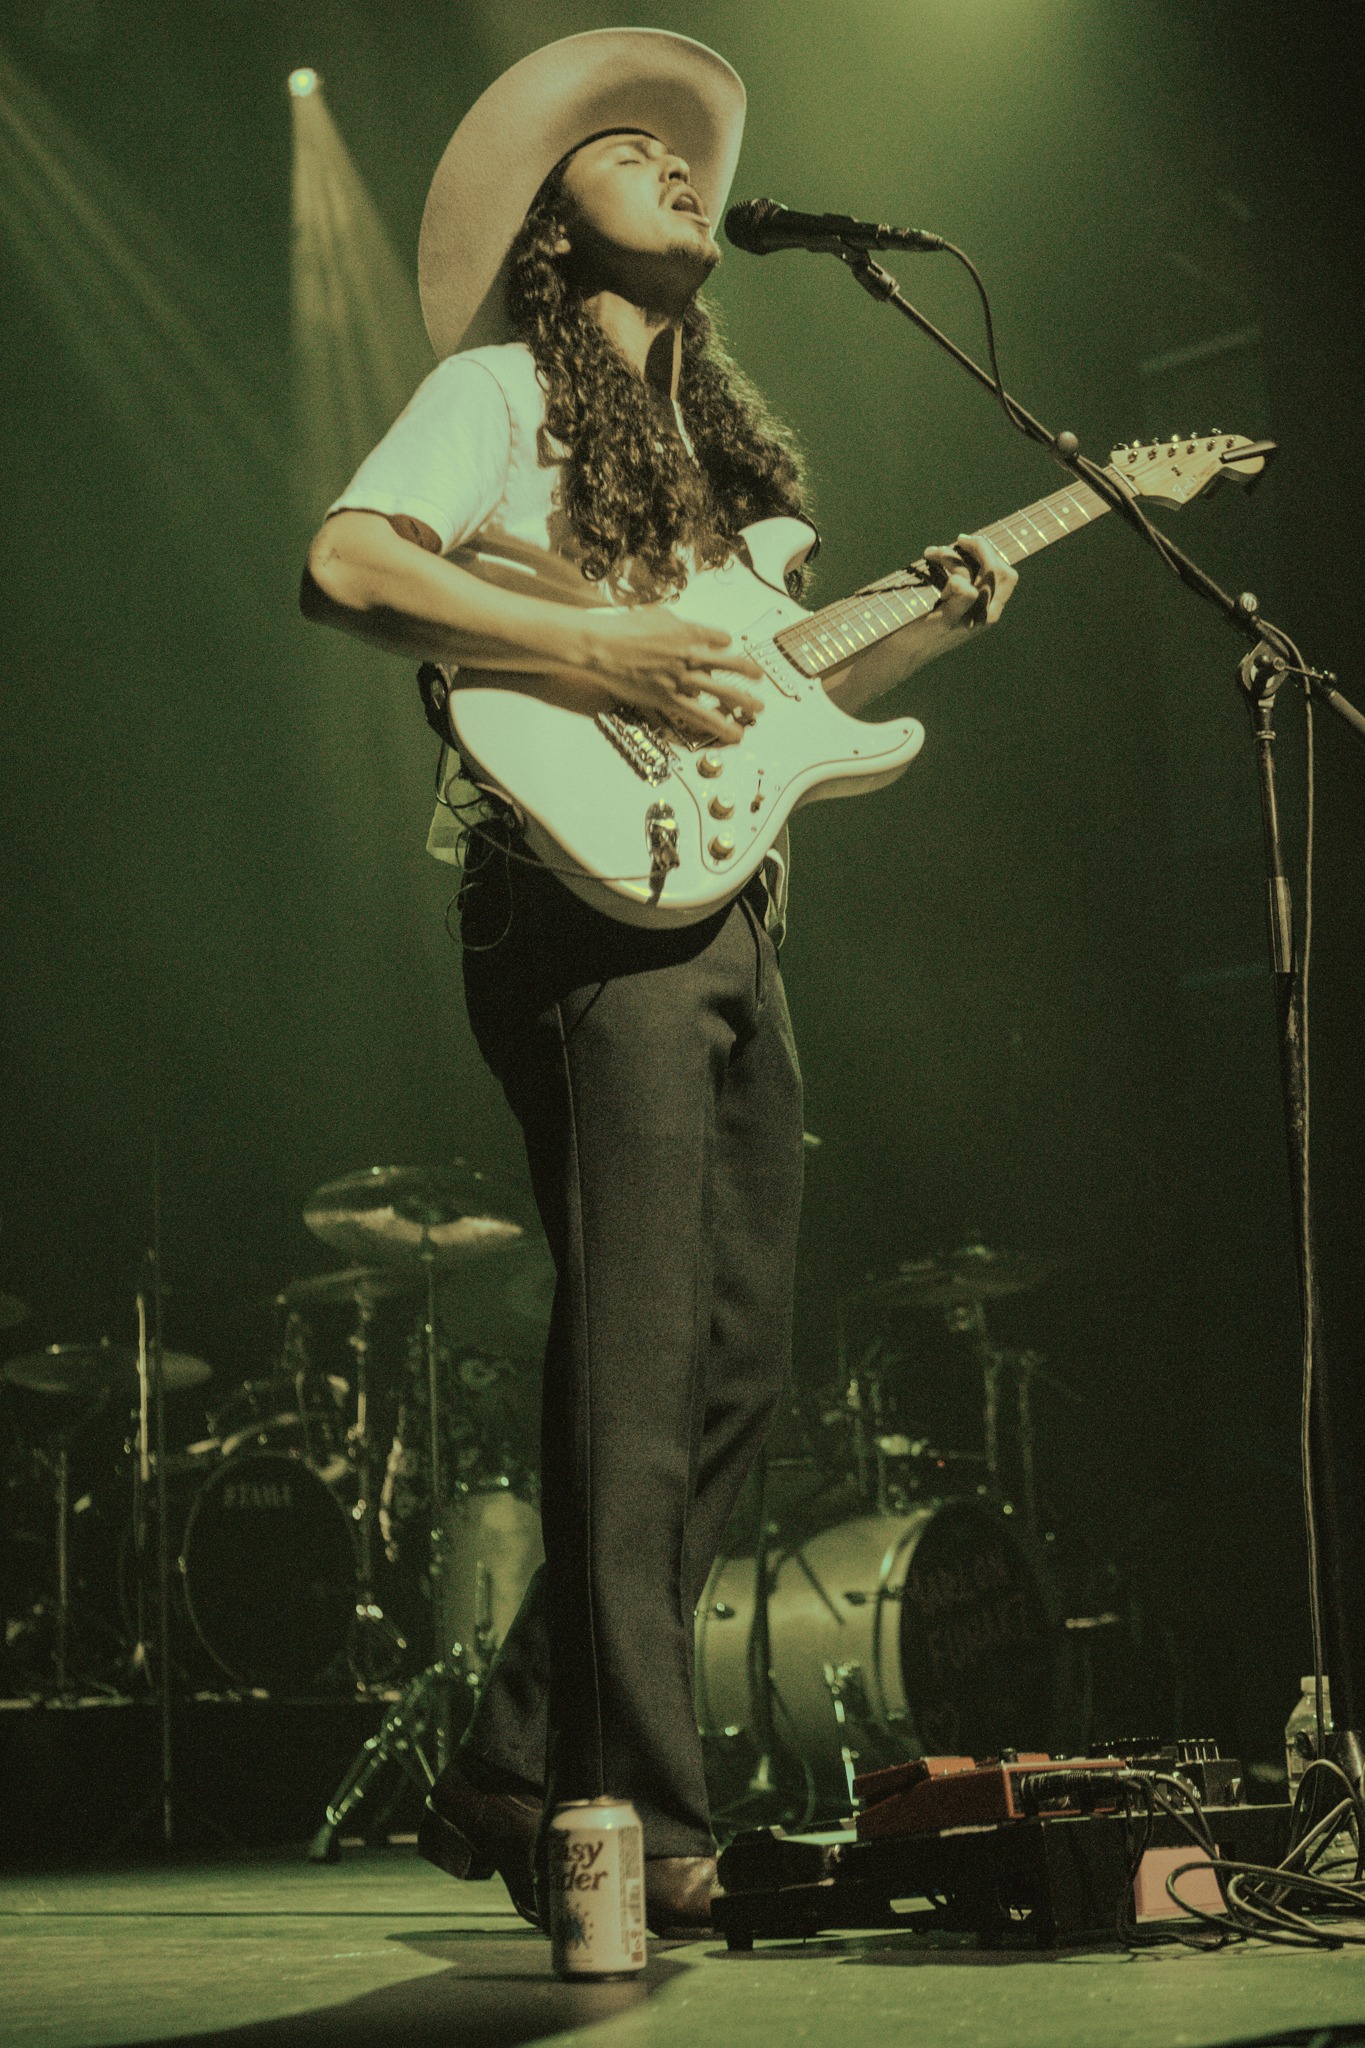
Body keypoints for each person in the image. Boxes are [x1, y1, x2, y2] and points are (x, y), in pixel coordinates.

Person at [301, 28, 1016, 1938]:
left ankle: (510, 1760)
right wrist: (592, 649)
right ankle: (631, 1812)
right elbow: (345, 566)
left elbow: (771, 699)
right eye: (627, 154)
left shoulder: (723, 476)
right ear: (553, 230)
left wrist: (925, 625)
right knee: (631, 1364)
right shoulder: (495, 393)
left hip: (726, 907)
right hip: (573, 900)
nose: (680, 168)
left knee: (734, 1368)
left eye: (683, 154)